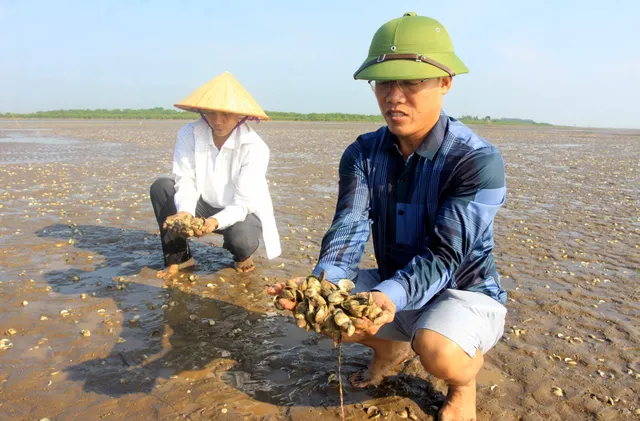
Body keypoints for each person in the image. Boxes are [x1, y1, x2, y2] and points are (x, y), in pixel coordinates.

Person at [268, 12, 507, 421]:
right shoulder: (362, 154)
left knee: (437, 349)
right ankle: (389, 349)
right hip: (393, 283)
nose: (394, 97)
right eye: (384, 83)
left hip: (464, 291)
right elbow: (349, 226)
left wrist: (388, 296)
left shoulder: (476, 161)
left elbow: (446, 256)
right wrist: (321, 285)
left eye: (411, 82)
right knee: (328, 309)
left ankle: (462, 386)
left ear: (445, 81)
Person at [150, 72, 281, 278]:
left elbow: (243, 203)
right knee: (162, 187)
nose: (217, 121)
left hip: (240, 212)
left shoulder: (255, 147)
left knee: (242, 239)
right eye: (211, 113)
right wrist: (184, 212)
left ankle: (241, 256)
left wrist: (213, 222)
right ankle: (179, 258)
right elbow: (186, 179)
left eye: (226, 115)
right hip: (201, 203)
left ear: (241, 115)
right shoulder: (189, 133)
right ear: (203, 112)